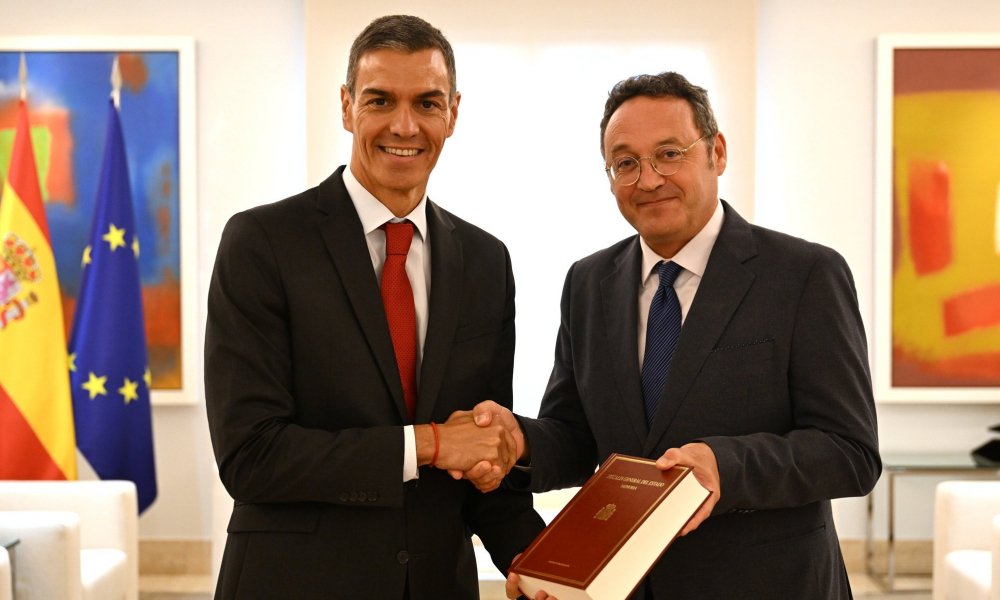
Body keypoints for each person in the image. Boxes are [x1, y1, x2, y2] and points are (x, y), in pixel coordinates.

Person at [468, 71, 881, 599]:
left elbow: (850, 452)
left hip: (770, 584)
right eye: (626, 163)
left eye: (669, 154)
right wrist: (519, 442)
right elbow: (576, 437)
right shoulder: (588, 282)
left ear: (717, 152)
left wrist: (723, 467)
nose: (648, 180)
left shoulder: (805, 275)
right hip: (626, 586)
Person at [205, 15, 544, 599]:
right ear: (346, 106)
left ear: (453, 113)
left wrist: (538, 562)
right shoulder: (262, 242)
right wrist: (429, 442)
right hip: (293, 585)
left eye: (427, 103)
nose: (404, 125)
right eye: (380, 100)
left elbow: (480, 458)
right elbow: (251, 455)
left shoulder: (487, 260)